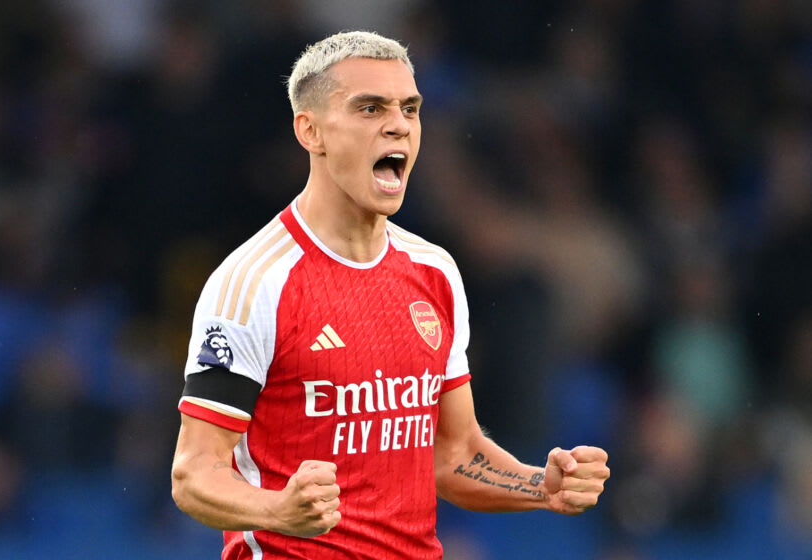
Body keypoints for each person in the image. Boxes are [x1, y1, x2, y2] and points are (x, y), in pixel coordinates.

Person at [170, 30, 610, 559]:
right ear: (311, 132)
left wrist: (541, 486)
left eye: (410, 108)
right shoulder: (254, 281)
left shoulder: (434, 271)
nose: (398, 124)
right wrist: (276, 511)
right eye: (369, 108)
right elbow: (194, 474)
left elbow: (454, 454)